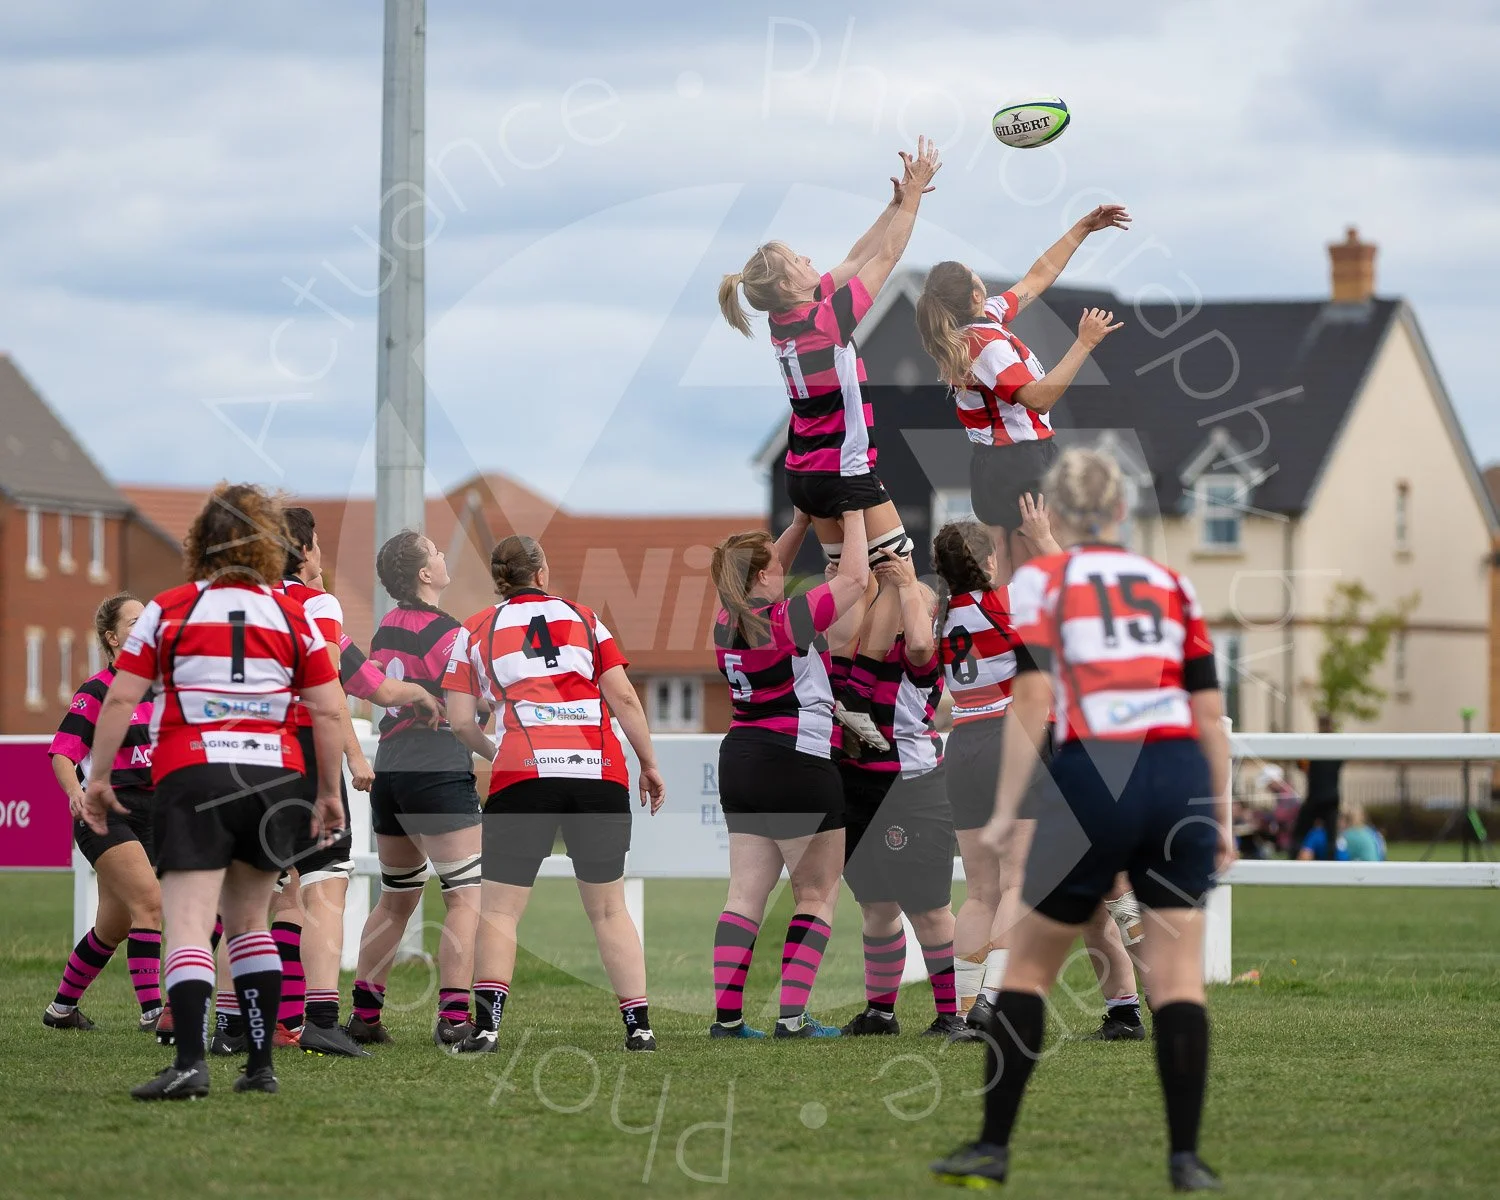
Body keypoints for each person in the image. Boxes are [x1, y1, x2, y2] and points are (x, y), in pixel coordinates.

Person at [930, 449, 1233, 1192]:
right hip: (1173, 774)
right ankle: (1185, 1159)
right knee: (1181, 977)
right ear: (1123, 511)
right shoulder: (1171, 584)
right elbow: (1209, 715)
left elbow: (1033, 701)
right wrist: (1220, 816)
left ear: (1055, 514)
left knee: (1030, 969)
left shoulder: (1039, 583)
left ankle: (993, 1148)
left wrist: (1006, 811)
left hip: (1093, 772)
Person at [81, 483, 346, 1100]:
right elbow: (329, 711)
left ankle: (191, 1065)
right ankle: (259, 1066)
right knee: (253, 921)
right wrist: (328, 790)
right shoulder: (294, 614)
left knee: (191, 919)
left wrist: (97, 777)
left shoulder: (168, 608)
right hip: (272, 776)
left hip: (192, 772)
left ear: (201, 541)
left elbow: (121, 696)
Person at [718, 138, 941, 751]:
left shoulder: (786, 318)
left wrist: (893, 204)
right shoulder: (824, 319)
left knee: (856, 582)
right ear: (792, 282)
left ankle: (844, 687)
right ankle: (856, 691)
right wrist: (916, 197)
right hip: (844, 474)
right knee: (898, 576)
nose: (810, 257)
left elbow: (857, 252)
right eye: (798, 257)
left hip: (805, 474)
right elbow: (887, 258)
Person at [443, 535, 666, 1055]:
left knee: (499, 911)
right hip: (598, 769)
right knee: (609, 908)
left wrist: (495, 746)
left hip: (523, 769)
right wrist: (649, 762)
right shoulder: (586, 619)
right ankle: (640, 1029)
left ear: (501, 580)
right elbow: (625, 697)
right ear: (541, 572)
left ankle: (488, 1028)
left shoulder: (473, 628)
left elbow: (458, 721)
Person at [933, 508, 1146, 1043]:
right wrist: (1045, 536)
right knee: (1059, 889)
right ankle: (993, 1005)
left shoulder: (940, 616)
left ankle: (970, 1009)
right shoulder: (1005, 605)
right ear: (987, 560)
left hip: (965, 746)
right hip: (1023, 743)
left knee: (984, 890)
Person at [706, 508, 870, 1039]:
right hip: (796, 760)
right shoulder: (787, 619)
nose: (781, 567)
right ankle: (792, 1019)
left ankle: (727, 1020)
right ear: (759, 577)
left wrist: (800, 522)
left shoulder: (724, 619)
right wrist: (854, 511)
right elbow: (855, 579)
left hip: (742, 760)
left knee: (743, 896)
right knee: (816, 895)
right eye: (772, 565)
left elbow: (762, 565)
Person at [913, 205, 1130, 568]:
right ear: (974, 297)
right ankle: (1076, 609)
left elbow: (1036, 278)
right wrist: (1084, 343)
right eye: (975, 275)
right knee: (1047, 560)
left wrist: (1083, 227)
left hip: (998, 464)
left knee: (1012, 569)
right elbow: (1039, 399)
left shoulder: (981, 321)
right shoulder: (987, 346)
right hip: (1018, 463)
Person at [344, 531, 483, 1049]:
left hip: (392, 769)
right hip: (438, 766)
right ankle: (452, 1020)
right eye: (436, 553)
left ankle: (364, 1015)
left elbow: (379, 686)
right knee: (466, 896)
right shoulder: (450, 631)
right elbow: (470, 702)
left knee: (396, 897)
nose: (444, 557)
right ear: (425, 575)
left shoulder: (387, 626)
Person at [832, 551, 968, 1040]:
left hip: (913, 789)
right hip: (855, 784)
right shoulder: (852, 653)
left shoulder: (924, 655)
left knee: (930, 909)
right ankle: (880, 1013)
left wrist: (909, 584)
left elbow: (915, 641)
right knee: (876, 906)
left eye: (923, 604)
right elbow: (845, 618)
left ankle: (953, 1014)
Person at [267, 506, 373, 1057]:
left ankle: (232, 1024)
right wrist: (348, 762)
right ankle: (322, 1020)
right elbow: (327, 687)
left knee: (246, 893)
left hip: (246, 754)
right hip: (306, 752)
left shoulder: (244, 603)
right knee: (326, 885)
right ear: (306, 549)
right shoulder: (319, 604)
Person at [42, 593, 163, 1034]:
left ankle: (60, 1010)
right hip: (106, 814)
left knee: (113, 927)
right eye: (135, 621)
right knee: (151, 904)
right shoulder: (96, 691)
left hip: (156, 815)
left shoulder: (165, 688)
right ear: (112, 638)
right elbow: (62, 753)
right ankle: (155, 1014)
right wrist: (75, 792)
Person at [1291, 714, 1343, 861]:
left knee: (1300, 832)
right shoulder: (1339, 747)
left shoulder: (1313, 744)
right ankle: (1331, 862)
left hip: (1315, 796)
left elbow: (1301, 765)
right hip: (1332, 797)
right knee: (1331, 836)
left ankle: (1294, 858)